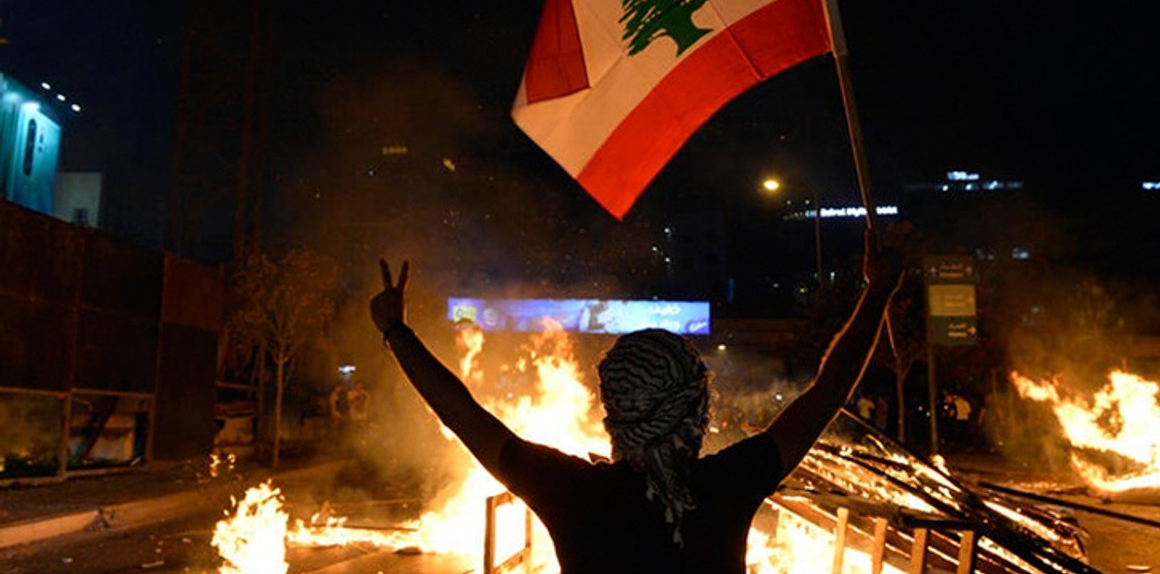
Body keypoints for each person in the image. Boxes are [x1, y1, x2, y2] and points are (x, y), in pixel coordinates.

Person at [370, 231, 904, 574]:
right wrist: (877, 291)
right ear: (698, 411)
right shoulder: (727, 484)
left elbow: (461, 414)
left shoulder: (570, 492)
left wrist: (396, 330)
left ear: (612, 413)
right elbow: (828, 391)